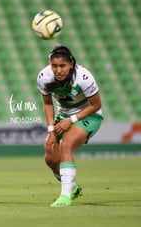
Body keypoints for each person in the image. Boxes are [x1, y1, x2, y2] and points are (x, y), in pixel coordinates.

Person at [37, 45, 103, 207]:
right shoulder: (44, 77)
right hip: (64, 115)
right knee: (50, 156)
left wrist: (71, 120)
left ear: (71, 64)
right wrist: (51, 129)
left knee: (66, 144)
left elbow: (95, 105)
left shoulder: (83, 77)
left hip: (89, 115)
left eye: (62, 66)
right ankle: (72, 187)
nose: (58, 70)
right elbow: (47, 104)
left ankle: (65, 196)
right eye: (54, 66)